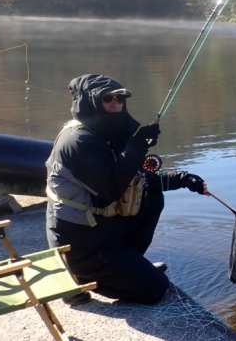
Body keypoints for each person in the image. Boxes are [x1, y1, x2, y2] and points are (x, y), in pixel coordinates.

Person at [45, 74, 209, 305]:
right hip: (80, 242)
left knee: (152, 196)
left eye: (120, 98)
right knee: (155, 289)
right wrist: (138, 145)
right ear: (89, 101)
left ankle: (128, 265)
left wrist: (183, 179)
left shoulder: (106, 134)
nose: (116, 103)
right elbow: (112, 188)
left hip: (102, 230)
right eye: (107, 98)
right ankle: (79, 278)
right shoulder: (77, 141)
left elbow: (136, 179)